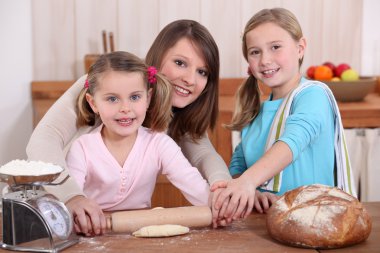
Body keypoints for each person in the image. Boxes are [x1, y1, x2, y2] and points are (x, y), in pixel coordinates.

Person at [26, 20, 231, 235]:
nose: (190, 79)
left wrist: (225, 190)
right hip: (59, 212)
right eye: (180, 63)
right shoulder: (107, 81)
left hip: (121, 228)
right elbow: (44, 139)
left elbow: (203, 154)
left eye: (203, 72)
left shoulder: (178, 117)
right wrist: (71, 195)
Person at [211, 8, 356, 225]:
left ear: (300, 48)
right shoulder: (255, 110)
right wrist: (253, 191)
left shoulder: (313, 94)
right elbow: (238, 168)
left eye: (275, 47)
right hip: (265, 224)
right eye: (255, 52)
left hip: (314, 224)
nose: (265, 60)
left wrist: (248, 182)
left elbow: (293, 141)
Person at [66, 51, 210, 235]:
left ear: (148, 98)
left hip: (140, 235)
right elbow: (71, 199)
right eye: (112, 99)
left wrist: (224, 203)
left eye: (135, 97)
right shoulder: (82, 148)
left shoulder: (159, 144)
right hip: (93, 234)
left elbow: (195, 187)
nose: (125, 108)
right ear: (93, 103)